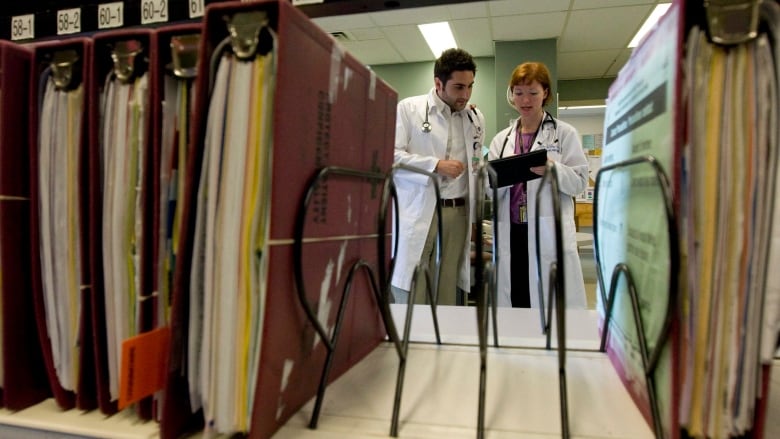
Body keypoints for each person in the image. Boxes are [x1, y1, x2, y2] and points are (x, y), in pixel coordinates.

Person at [487, 61, 588, 309]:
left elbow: (579, 182)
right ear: (511, 95)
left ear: (545, 94)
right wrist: (489, 177)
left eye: (533, 92)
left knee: (550, 303)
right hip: (511, 231)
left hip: (546, 231)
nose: (525, 100)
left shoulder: (564, 134)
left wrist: (554, 169)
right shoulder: (502, 140)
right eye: (519, 92)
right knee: (517, 298)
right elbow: (490, 188)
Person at [391, 48, 486, 306]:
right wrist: (435, 165)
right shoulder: (409, 109)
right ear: (438, 83)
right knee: (416, 278)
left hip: (457, 210)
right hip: (421, 206)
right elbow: (392, 156)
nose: (465, 95)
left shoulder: (475, 118)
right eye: (458, 87)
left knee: (449, 279)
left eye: (470, 87)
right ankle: (412, 337)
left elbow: (476, 164)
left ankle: (444, 340)